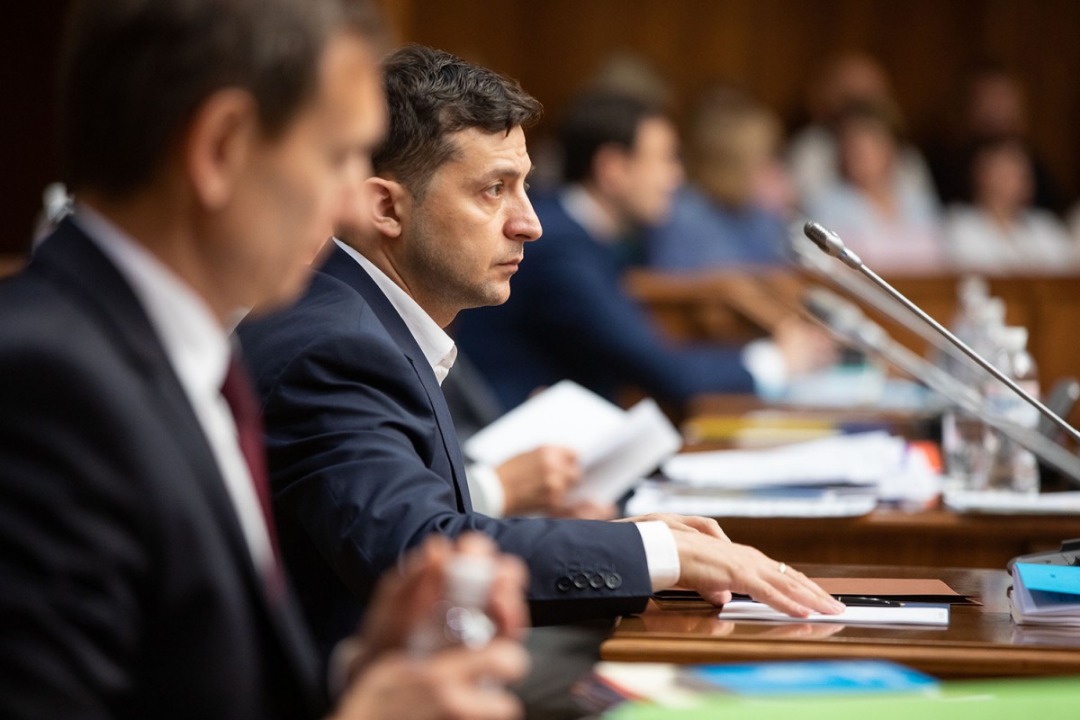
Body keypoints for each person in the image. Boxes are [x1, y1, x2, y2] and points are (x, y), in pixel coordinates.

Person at [0, 3, 527, 719]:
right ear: (222, 149)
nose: (352, 203)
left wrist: (352, 675)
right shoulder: (49, 387)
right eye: (337, 156)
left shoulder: (166, 348)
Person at [239, 45, 843, 659]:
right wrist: (659, 552)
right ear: (387, 207)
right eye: (494, 190)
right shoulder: (336, 346)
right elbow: (420, 550)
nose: (530, 223)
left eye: (524, 187)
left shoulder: (363, 321)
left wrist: (616, 539)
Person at [454, 91, 836, 412]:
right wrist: (777, 361)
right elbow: (665, 371)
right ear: (613, 168)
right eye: (665, 159)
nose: (676, 178)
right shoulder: (558, 248)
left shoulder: (584, 235)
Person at [645, 87, 793, 270]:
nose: (776, 172)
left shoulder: (761, 215)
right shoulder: (680, 214)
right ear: (729, 166)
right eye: (764, 162)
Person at [805, 100, 945, 274]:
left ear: (891, 148)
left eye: (871, 147)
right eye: (853, 149)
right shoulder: (827, 204)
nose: (862, 157)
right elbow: (829, 268)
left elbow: (940, 264)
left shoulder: (919, 203)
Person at [943, 136, 1077, 275]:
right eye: (1006, 172)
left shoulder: (1045, 225)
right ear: (981, 176)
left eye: (1022, 172)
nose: (1017, 180)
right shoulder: (960, 225)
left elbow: (1067, 275)